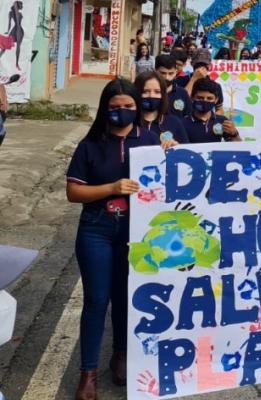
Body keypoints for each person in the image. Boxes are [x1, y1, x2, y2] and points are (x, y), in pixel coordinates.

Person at [66, 79, 175, 400]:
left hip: (137, 233)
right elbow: (74, 192)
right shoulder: (90, 144)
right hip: (96, 229)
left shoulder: (152, 141)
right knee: (97, 301)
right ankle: (88, 374)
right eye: (115, 109)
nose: (122, 113)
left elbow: (172, 182)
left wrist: (171, 154)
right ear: (105, 110)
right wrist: (112, 188)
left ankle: (121, 355)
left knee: (127, 299)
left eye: (129, 107)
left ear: (137, 107)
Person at [182, 77, 241, 143]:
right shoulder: (182, 123)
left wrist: (234, 133)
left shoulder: (222, 121)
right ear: (192, 98)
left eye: (209, 98)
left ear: (216, 100)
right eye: (200, 98)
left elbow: (238, 147)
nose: (205, 101)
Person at [136, 71, 189, 144]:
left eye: (157, 92)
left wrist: (176, 147)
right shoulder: (130, 124)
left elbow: (186, 152)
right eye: (145, 91)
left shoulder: (174, 123)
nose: (151, 95)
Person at [185, 48, 225, 115]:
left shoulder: (215, 86)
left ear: (209, 66)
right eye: (198, 65)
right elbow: (182, 100)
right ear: (192, 64)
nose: (201, 69)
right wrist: (193, 79)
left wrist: (210, 118)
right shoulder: (181, 80)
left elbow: (220, 109)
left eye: (204, 65)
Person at [0, 1, 24, 70]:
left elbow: (17, 19)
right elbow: (9, 23)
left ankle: (17, 64)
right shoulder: (11, 13)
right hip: (14, 30)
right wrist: (7, 31)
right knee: (5, 46)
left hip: (20, 31)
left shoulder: (20, 14)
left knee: (18, 47)